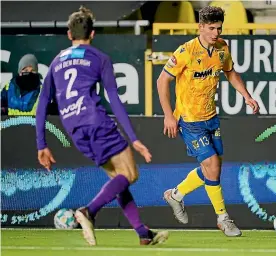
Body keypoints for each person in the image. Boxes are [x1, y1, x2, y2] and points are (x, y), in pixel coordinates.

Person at [36, 6, 168, 246]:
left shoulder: (56, 62)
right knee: (130, 174)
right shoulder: (99, 58)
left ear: (69, 34)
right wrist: (134, 139)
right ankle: (89, 211)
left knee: (118, 179)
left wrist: (41, 144)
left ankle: (142, 232)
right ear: (93, 34)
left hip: (74, 128)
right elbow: (114, 99)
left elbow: (43, 101)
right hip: (95, 121)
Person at [157, 6, 259, 237]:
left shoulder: (222, 47)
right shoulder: (186, 51)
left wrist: (246, 95)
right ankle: (223, 218)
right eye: (211, 28)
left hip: (210, 118)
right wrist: (168, 115)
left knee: (213, 169)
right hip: (189, 120)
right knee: (212, 166)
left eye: (219, 28)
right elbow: (162, 81)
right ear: (200, 27)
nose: (215, 33)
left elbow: (230, 72)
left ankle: (176, 195)